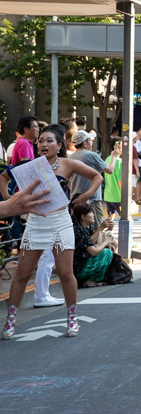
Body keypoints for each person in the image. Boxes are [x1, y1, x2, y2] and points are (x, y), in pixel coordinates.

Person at [1, 125, 103, 338]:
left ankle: (72, 318)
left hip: (60, 221)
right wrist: (10, 201)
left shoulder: (68, 164)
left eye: (49, 141)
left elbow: (98, 177)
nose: (44, 144)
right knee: (22, 274)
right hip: (36, 222)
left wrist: (86, 196)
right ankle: (11, 320)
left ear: (59, 145)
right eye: (41, 141)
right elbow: (3, 177)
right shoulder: (29, 164)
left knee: (66, 273)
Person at [69, 130, 117, 229]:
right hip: (92, 199)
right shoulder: (91, 155)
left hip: (75, 200)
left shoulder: (70, 158)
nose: (92, 142)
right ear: (85, 143)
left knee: (79, 228)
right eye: (90, 140)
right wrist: (114, 156)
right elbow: (110, 170)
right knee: (97, 227)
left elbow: (69, 182)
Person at [71, 202, 114, 287]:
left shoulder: (82, 227)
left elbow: (90, 243)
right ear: (83, 217)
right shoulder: (80, 230)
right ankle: (92, 280)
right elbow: (93, 251)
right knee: (106, 252)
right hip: (79, 267)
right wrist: (105, 242)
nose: (93, 215)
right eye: (90, 213)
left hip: (79, 263)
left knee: (106, 249)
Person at [103, 138, 124, 217]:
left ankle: (109, 229)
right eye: (122, 146)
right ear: (116, 147)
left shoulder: (107, 159)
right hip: (118, 195)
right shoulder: (119, 161)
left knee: (110, 216)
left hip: (108, 194)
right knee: (124, 216)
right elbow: (120, 181)